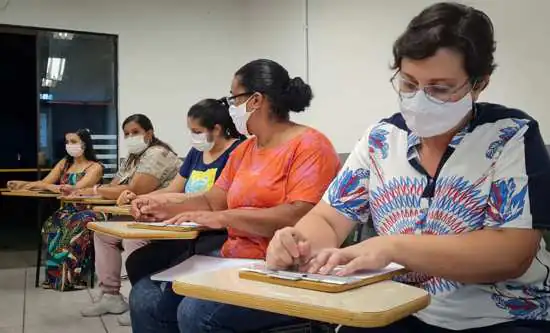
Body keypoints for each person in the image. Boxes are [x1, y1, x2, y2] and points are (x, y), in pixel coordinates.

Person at [267, 2, 550, 333]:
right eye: (409, 84)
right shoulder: (381, 140)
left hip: (498, 317)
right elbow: (329, 219)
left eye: (440, 88)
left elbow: (509, 254)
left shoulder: (510, 135)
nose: (420, 100)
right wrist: (296, 242)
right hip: (397, 309)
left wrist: (392, 246)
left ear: (479, 84)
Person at [128, 59, 341, 333]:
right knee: (145, 297)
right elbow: (211, 200)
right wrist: (162, 207)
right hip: (233, 259)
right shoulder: (245, 149)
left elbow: (299, 215)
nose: (230, 107)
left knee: (196, 312)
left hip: (284, 267)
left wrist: (224, 218)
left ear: (255, 100)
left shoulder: (311, 146)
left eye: (233, 98)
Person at [81, 99, 244, 326]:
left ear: (216, 129)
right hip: (181, 222)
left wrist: (159, 202)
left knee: (149, 259)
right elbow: (173, 189)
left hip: (211, 230)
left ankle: (159, 311)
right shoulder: (197, 153)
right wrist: (141, 199)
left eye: (197, 131)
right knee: (138, 261)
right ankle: (143, 308)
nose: (193, 137)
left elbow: (213, 200)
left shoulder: (237, 152)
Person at [75, 113, 180, 312]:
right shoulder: (132, 158)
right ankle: (110, 296)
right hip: (136, 211)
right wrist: (84, 191)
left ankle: (142, 301)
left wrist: (99, 190)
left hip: (162, 213)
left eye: (135, 132)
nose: (130, 137)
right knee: (103, 233)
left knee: (133, 239)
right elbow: (114, 186)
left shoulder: (158, 153)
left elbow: (137, 189)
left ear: (149, 134)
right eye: (127, 134)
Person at [13, 129, 104, 291]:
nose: (69, 145)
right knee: (51, 225)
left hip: (89, 210)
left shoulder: (95, 167)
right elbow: (46, 182)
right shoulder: (65, 163)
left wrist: (52, 187)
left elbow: (75, 189)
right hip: (67, 210)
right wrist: (23, 184)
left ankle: (74, 276)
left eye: (74, 141)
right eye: (67, 142)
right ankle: (56, 277)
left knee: (74, 226)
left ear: (85, 144)